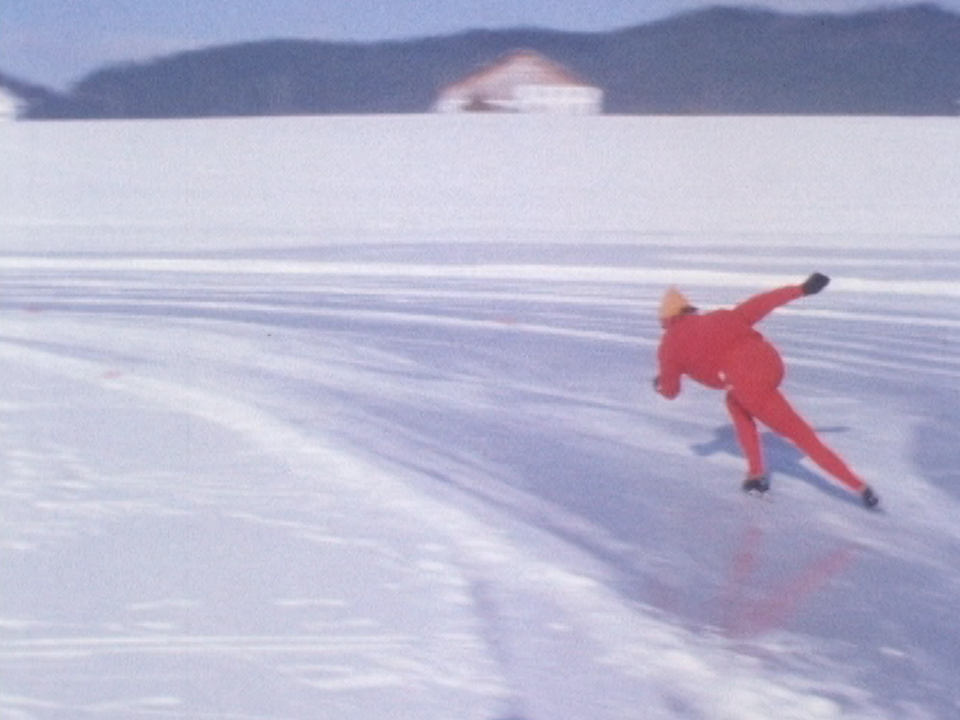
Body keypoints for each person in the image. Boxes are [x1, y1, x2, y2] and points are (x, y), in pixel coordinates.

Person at [654, 273, 879, 509]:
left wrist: (660, 384)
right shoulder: (720, 316)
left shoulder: (669, 346)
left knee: (801, 434)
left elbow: (671, 391)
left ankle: (859, 487)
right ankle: (755, 475)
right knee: (735, 404)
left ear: (666, 320)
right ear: (689, 310)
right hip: (771, 362)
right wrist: (801, 289)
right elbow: (761, 304)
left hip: (748, 380)